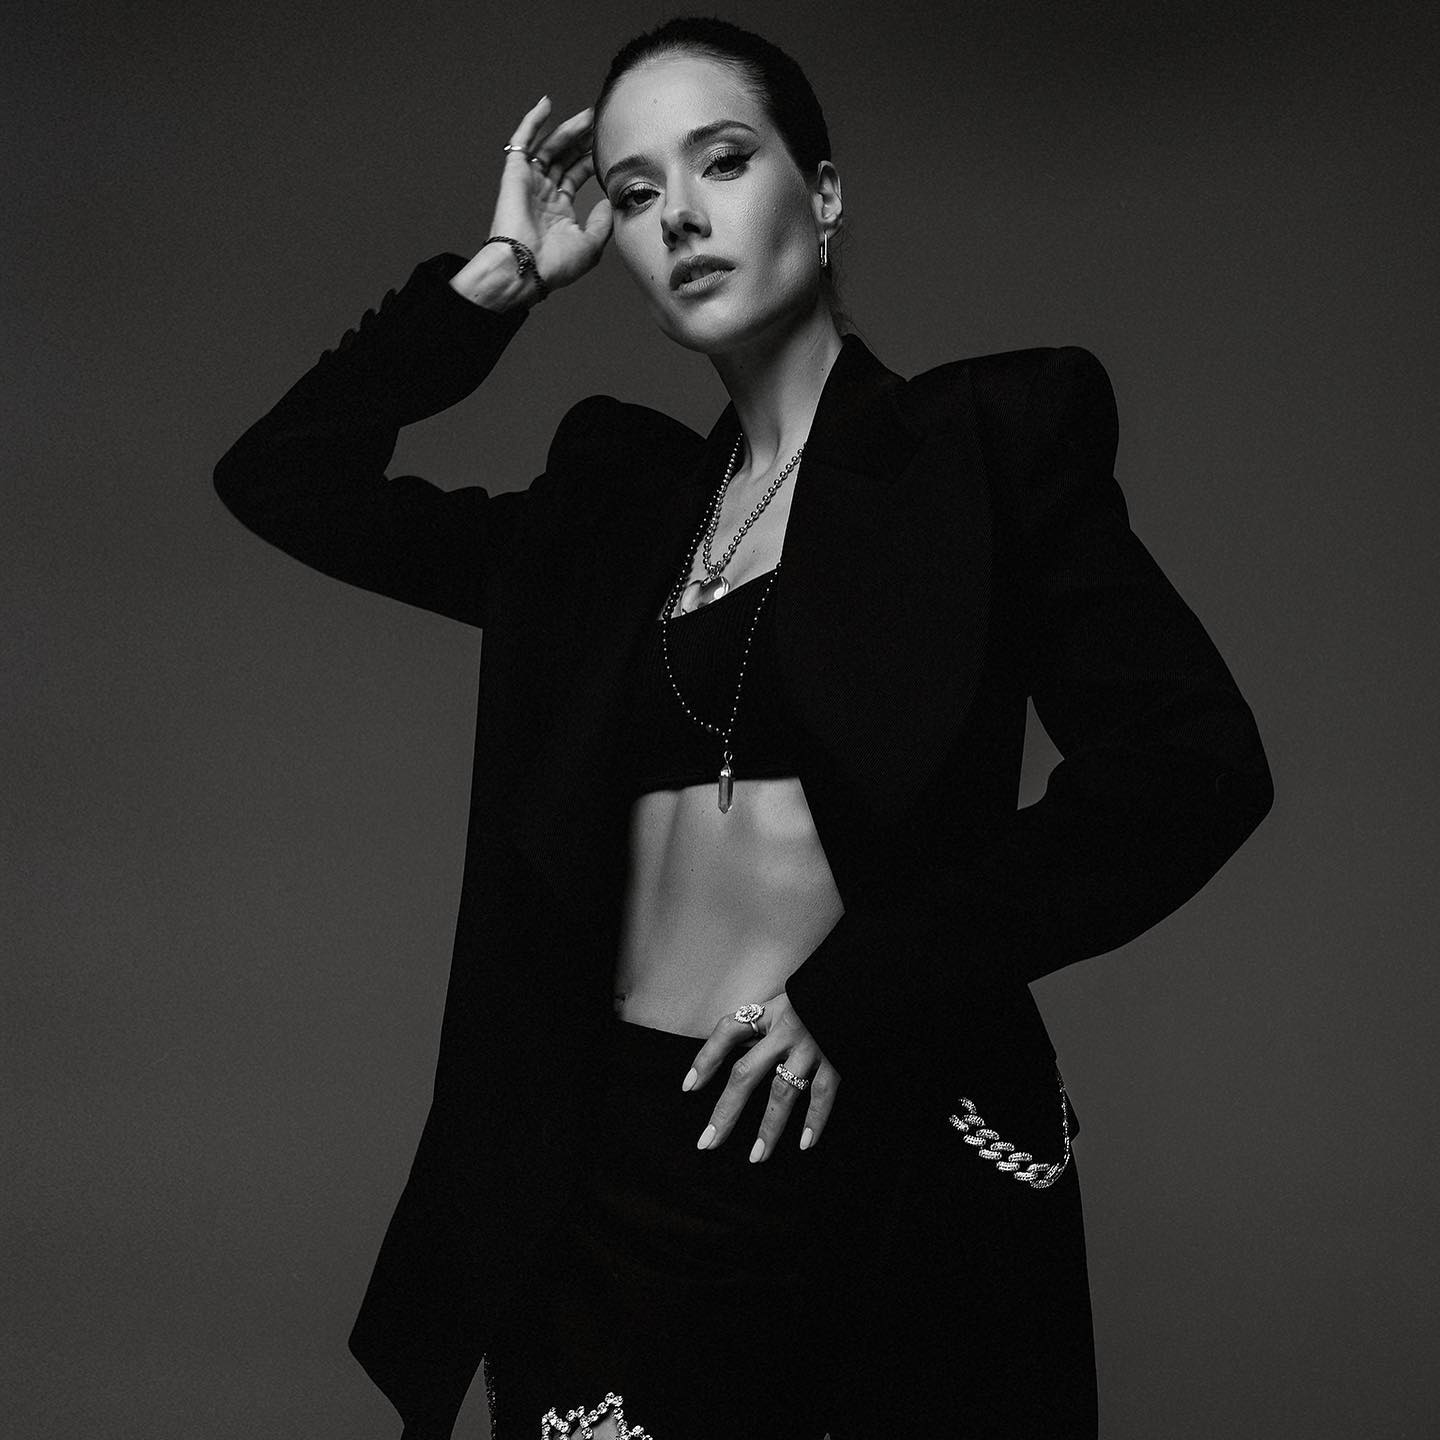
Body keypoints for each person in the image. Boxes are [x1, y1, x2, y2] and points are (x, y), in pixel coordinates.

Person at [213, 17, 1273, 1440]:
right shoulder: (609, 516)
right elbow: (284, 482)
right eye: (636, 191)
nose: (679, 217)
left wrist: (866, 985)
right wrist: (496, 281)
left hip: (878, 1134)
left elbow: (1191, 770)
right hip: (618, 1162)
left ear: (821, 194)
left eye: (722, 161)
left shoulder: (979, 455)